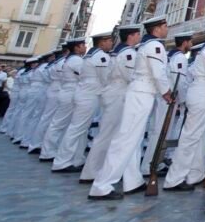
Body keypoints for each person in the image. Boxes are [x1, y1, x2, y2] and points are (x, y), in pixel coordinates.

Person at [89, 16, 172, 200]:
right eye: (165, 26)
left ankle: (132, 180)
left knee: (134, 139)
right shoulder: (155, 46)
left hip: (142, 92)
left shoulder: (145, 46)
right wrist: (166, 91)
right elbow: (158, 73)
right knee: (125, 140)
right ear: (157, 29)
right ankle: (102, 185)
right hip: (142, 93)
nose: (167, 29)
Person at [164, 24, 205, 191]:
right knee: (190, 138)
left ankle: (195, 174)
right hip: (202, 94)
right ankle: (174, 179)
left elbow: (192, 73)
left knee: (198, 137)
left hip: (201, 93)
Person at [80, 25, 141, 185]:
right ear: (131, 36)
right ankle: (93, 171)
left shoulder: (116, 53)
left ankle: (98, 170)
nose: (139, 37)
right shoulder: (128, 53)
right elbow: (131, 76)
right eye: (137, 34)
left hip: (113, 91)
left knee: (110, 133)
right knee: (108, 133)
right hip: (119, 93)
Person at [52, 32, 114, 173]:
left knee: (81, 129)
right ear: (102, 42)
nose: (111, 43)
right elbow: (105, 78)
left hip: (84, 93)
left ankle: (77, 159)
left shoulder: (89, 55)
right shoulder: (100, 56)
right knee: (76, 129)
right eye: (109, 40)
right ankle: (62, 162)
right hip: (89, 95)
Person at [142, 32, 193, 175]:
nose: (191, 45)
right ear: (184, 43)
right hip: (168, 98)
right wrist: (183, 100)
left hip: (164, 97)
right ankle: (150, 165)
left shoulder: (172, 55)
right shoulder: (180, 57)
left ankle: (153, 163)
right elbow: (179, 81)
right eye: (190, 42)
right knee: (161, 132)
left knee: (157, 131)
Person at [40, 39, 87, 162]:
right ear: (77, 47)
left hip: (66, 89)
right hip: (71, 91)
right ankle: (48, 152)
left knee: (58, 123)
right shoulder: (76, 60)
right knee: (60, 124)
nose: (85, 47)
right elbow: (84, 75)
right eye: (83, 45)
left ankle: (49, 151)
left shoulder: (69, 59)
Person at [28, 47, 68, 155]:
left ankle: (35, 143)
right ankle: (42, 146)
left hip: (50, 88)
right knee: (50, 119)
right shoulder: (61, 63)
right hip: (56, 88)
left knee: (43, 118)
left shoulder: (51, 65)